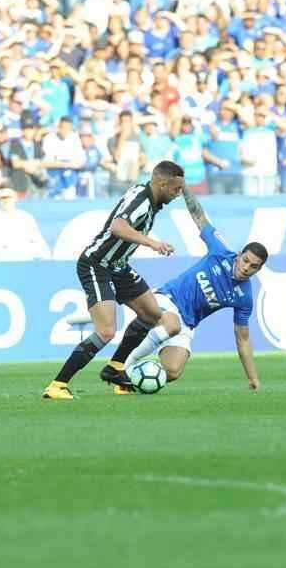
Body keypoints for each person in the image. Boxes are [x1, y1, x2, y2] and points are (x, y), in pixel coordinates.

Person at [42, 160, 186, 402]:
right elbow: (118, 227)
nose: (178, 194)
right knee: (107, 330)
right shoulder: (141, 201)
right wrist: (153, 243)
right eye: (175, 189)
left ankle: (115, 368)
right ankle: (57, 385)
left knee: (151, 314)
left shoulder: (150, 196)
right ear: (162, 185)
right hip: (97, 265)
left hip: (118, 267)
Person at [102, 188, 266, 393]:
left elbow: (242, 339)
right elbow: (199, 216)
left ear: (259, 269)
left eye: (253, 267)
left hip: (187, 323)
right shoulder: (220, 251)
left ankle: (132, 380)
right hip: (166, 300)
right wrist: (186, 189)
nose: (245, 268)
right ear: (240, 254)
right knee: (172, 324)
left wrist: (253, 378)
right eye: (245, 260)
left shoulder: (244, 297)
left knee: (172, 371)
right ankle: (121, 367)